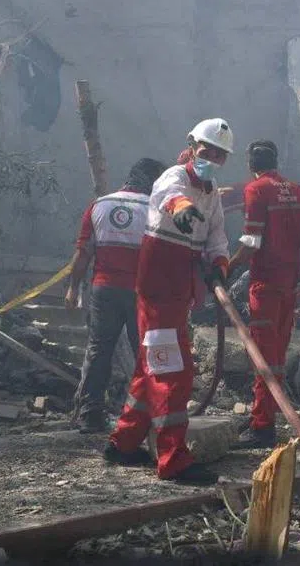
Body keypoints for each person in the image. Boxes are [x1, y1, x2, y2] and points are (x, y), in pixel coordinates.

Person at [104, 118, 234, 484]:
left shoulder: (211, 194)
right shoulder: (173, 177)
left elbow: (217, 238)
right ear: (193, 147)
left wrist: (219, 265)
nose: (213, 158)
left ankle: (125, 443)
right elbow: (167, 198)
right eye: (208, 151)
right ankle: (173, 459)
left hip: (178, 294)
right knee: (171, 373)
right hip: (158, 290)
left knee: (151, 370)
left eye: (220, 155)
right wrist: (180, 208)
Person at [232, 140, 300, 448]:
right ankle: (267, 415)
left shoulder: (256, 190)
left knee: (264, 356)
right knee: (276, 352)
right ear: (277, 160)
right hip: (290, 285)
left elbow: (251, 241)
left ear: (251, 164)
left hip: (265, 284)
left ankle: (262, 426)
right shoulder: (298, 190)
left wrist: (227, 265)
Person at [67, 158, 166, 433]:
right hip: (141, 294)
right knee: (144, 354)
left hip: (104, 290)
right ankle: (145, 416)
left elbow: (83, 252)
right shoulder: (156, 209)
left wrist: (73, 287)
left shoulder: (100, 205)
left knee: (99, 350)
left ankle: (89, 414)